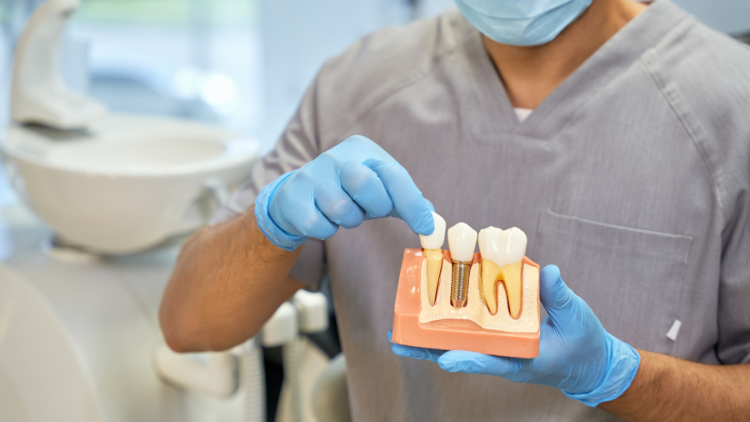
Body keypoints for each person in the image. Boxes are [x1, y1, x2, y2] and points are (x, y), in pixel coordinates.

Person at [159, 0, 750, 420]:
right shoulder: (354, 86)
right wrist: (272, 226)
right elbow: (189, 325)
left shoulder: (730, 105)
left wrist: (616, 375)